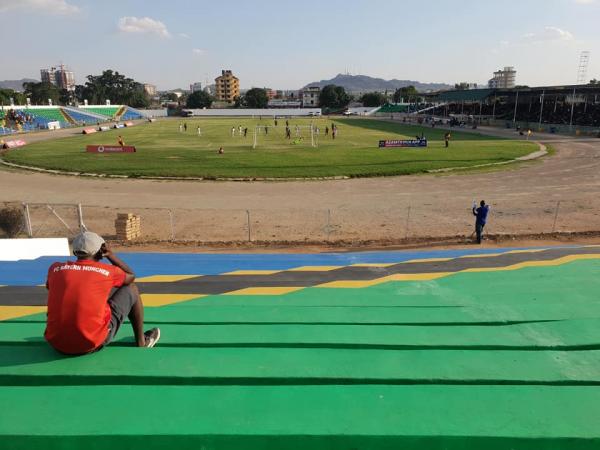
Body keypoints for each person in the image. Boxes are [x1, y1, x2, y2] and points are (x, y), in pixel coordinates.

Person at [44, 231, 160, 355]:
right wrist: (111, 255)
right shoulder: (108, 271)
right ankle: (141, 342)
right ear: (100, 252)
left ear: (74, 252)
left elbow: (50, 287)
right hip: (91, 344)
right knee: (132, 289)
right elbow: (131, 277)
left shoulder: (55, 268)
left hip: (56, 343)